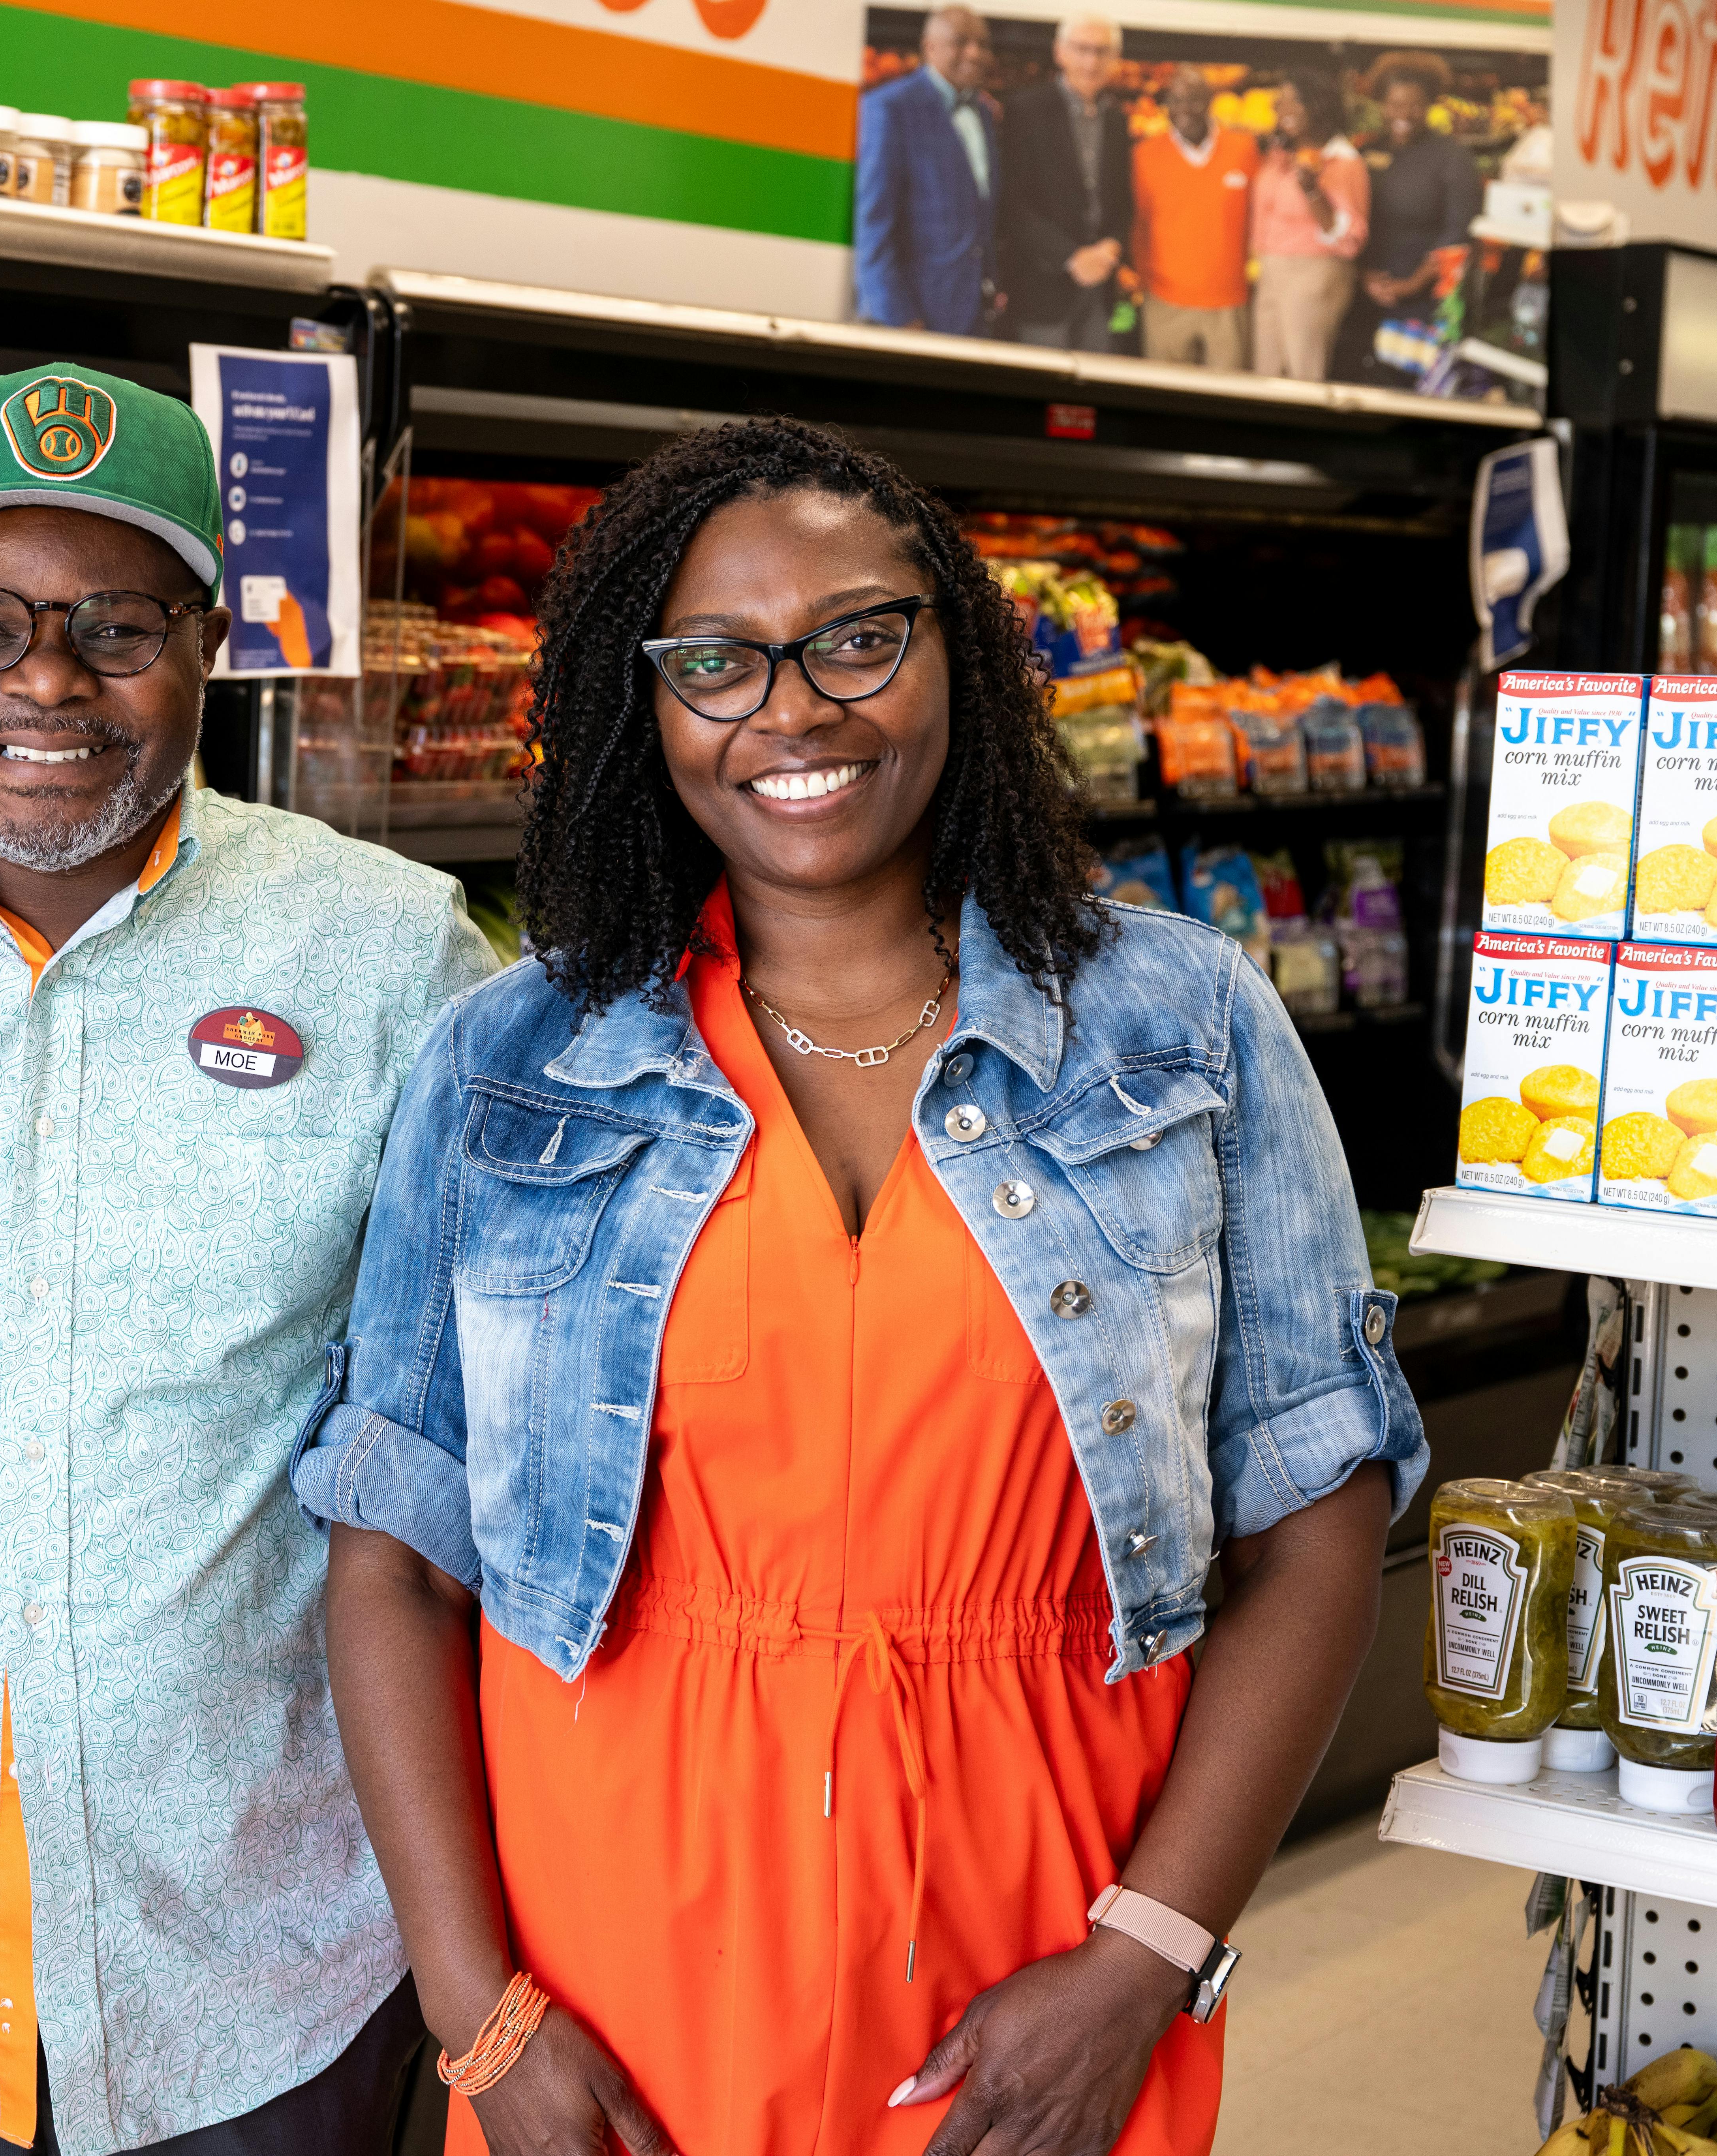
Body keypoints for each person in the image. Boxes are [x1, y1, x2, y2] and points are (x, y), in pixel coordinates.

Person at [302, 417, 1424, 2156]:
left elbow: (1318, 1514)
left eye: (855, 636)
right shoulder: (508, 1065)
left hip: (1047, 1946)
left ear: (955, 654)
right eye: (716, 663)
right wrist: (478, 2014)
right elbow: (394, 1560)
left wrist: (1149, 1953)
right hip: (612, 1976)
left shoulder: (1183, 1027)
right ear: (645, 704)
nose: (793, 711)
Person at [0, 364, 494, 2153]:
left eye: (116, 625)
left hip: (266, 1960)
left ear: (210, 641)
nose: (44, 682)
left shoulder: (386, 959)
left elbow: (511, 1427)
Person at [854, 6, 1001, 336]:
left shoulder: (984, 113)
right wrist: (896, 314)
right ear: (929, 46)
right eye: (961, 42)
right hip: (912, 317)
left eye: (983, 44)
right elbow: (872, 224)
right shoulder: (889, 108)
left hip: (974, 316)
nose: (975, 53)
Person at [996, 13, 1133, 350]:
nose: (1092, 61)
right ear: (1060, 53)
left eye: (1103, 52)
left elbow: (1123, 200)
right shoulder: (1024, 110)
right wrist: (1072, 258)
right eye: (1082, 49)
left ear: (1115, 60)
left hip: (1101, 290)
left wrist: (1113, 246)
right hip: (1042, 289)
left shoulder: (1117, 121)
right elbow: (1013, 203)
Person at [1349, 52, 1480, 378]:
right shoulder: (1365, 152)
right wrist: (1363, 276)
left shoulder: (1453, 158)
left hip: (1424, 302)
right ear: (1381, 104)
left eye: (1415, 105)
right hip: (1365, 297)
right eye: (1394, 104)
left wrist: (1411, 285)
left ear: (1430, 105)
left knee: (1409, 390)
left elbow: (1458, 233)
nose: (1404, 114)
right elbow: (1349, 221)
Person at [1128, 62, 1260, 371]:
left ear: (1212, 101)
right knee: (1168, 400)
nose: (1185, 108)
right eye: (1176, 100)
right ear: (1166, 105)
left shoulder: (1244, 149)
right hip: (1164, 300)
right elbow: (1138, 224)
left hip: (1229, 301)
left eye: (1196, 98)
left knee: (1226, 401)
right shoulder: (1144, 155)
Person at [1251, 70, 1371, 381]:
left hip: (1313, 275)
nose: (1285, 111)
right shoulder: (1281, 155)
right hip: (1271, 272)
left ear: (1318, 106)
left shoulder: (1343, 162)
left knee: (1304, 373)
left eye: (1296, 102)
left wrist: (1312, 191)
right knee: (1267, 373)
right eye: (1282, 103)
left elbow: (1349, 241)